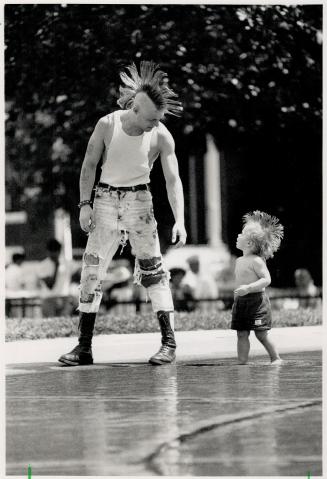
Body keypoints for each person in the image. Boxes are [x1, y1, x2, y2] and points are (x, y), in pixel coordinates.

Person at [59, 61, 187, 367]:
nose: (155, 124)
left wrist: (180, 219)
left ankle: (169, 344)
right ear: (137, 109)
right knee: (91, 272)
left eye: (159, 120)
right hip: (104, 200)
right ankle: (84, 347)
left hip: (140, 202)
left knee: (154, 270)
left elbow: (173, 180)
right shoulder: (107, 125)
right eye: (152, 118)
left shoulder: (161, 135)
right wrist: (84, 204)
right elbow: (88, 165)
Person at [231, 211, 284, 365]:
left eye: (242, 234)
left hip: (256, 301)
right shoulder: (239, 260)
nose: (238, 236)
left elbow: (266, 279)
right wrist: (237, 299)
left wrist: (249, 287)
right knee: (241, 333)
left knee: (261, 334)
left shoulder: (257, 261)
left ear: (249, 243)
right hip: (241, 302)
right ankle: (242, 362)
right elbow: (238, 281)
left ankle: (276, 358)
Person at [37, 238, 73, 316]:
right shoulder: (42, 265)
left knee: (64, 324)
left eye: (56, 251)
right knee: (50, 324)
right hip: (48, 299)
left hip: (64, 298)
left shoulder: (66, 263)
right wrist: (56, 267)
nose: (54, 254)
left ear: (59, 251)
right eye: (52, 251)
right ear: (48, 251)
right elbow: (50, 285)